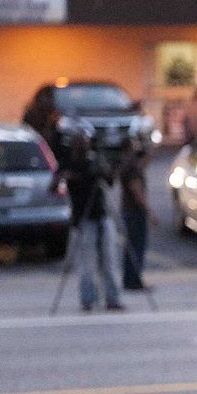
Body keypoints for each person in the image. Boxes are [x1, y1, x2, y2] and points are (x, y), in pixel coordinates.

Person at [57, 124, 124, 312]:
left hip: (101, 214)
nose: (83, 147)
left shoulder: (95, 161)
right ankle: (88, 299)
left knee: (110, 260)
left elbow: (109, 181)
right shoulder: (69, 164)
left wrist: (108, 169)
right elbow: (55, 185)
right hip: (83, 218)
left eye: (85, 143)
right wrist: (68, 178)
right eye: (80, 143)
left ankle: (113, 298)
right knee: (87, 263)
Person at [119, 137, 156, 290]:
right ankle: (134, 280)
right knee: (136, 247)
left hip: (129, 211)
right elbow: (137, 191)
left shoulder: (128, 166)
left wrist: (152, 150)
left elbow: (144, 164)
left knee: (131, 247)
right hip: (135, 212)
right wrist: (149, 212)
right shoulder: (131, 168)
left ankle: (131, 279)